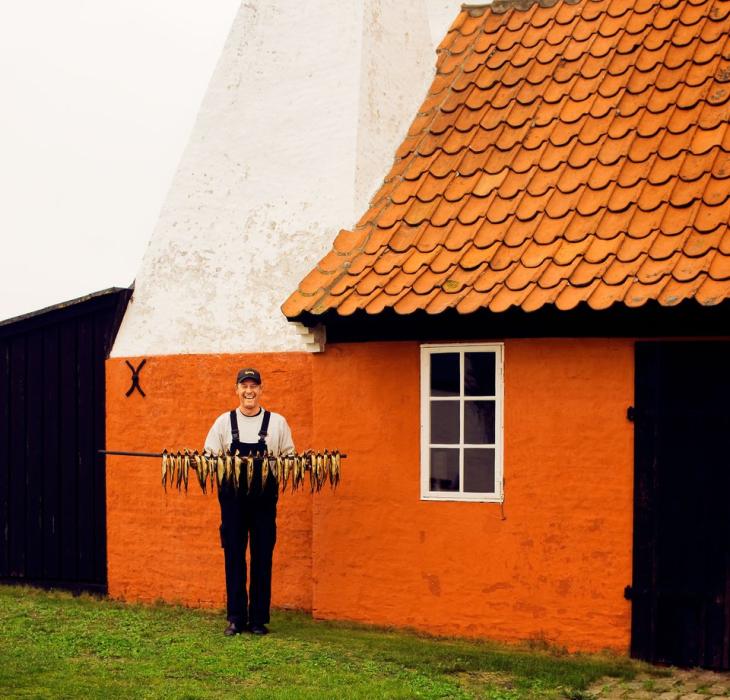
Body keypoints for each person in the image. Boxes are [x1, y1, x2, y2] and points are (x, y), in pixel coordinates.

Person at [204, 368, 294, 636]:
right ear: (237, 390)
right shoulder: (223, 422)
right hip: (232, 502)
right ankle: (235, 617)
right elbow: (209, 455)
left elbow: (289, 457)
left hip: (264, 501)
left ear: (261, 389)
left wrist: (283, 465)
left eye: (254, 386)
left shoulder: (277, 422)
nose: (249, 391)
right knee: (233, 556)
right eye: (244, 386)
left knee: (262, 556)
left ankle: (258, 619)